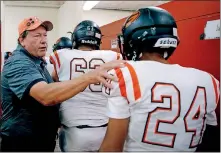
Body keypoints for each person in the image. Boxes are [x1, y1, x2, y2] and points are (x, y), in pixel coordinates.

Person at [99, 7, 220, 152]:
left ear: (133, 40)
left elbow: (111, 147)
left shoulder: (126, 74)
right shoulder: (209, 81)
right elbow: (210, 139)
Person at [0, 16, 124, 152]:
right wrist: (89, 77)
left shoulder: (37, 61)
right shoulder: (19, 63)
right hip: (22, 144)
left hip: (40, 139)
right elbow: (45, 95)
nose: (43, 40)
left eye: (45, 35)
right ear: (22, 40)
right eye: (36, 36)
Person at [49, 20, 122, 152]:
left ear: (76, 38)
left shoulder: (62, 55)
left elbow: (55, 78)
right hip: (104, 127)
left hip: (73, 129)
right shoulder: (113, 56)